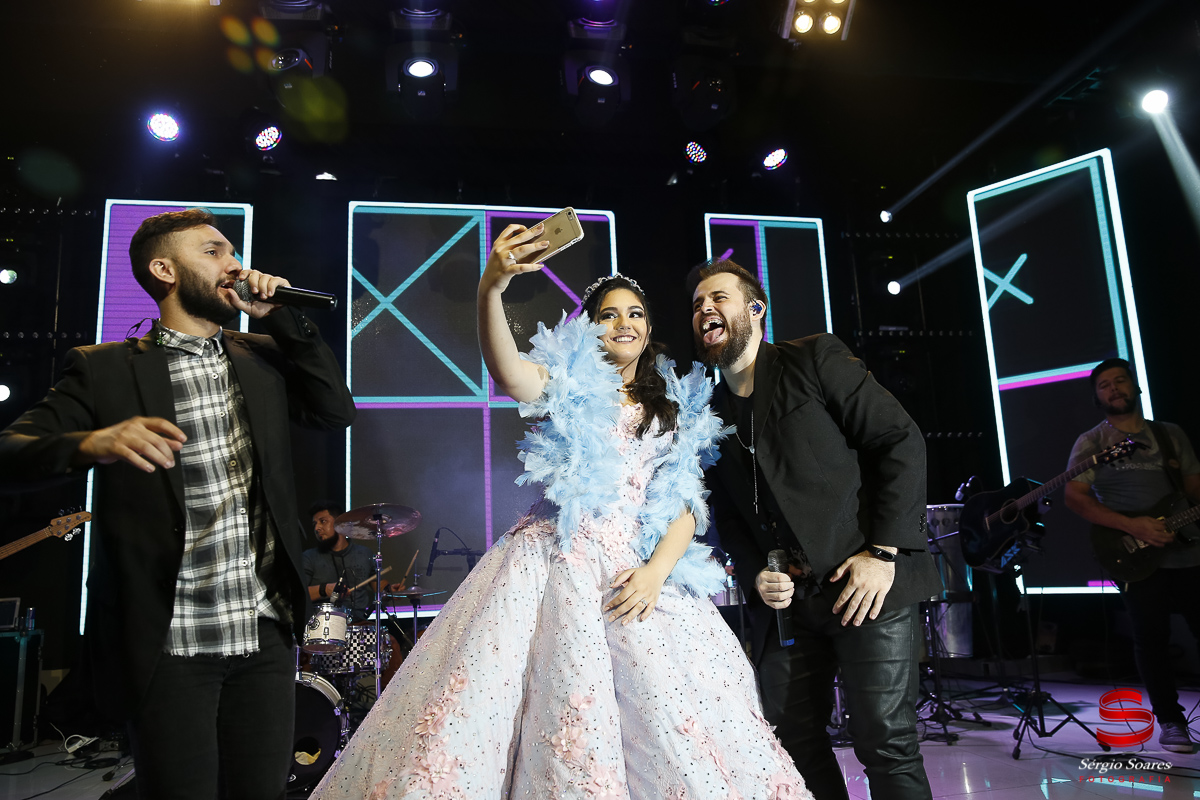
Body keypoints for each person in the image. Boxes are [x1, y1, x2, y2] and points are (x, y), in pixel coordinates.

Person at [310, 224, 809, 799]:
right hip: (557, 560)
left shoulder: (674, 406)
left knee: (675, 722)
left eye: (637, 313)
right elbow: (510, 372)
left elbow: (686, 504)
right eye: (609, 313)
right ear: (588, 328)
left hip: (641, 573)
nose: (625, 321)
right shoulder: (563, 381)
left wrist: (654, 573)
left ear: (648, 331)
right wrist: (490, 289)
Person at [0, 208, 356, 799]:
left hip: (262, 631)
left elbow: (334, 411)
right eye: (214, 251)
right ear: (164, 269)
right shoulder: (106, 369)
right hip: (172, 644)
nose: (234, 264)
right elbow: (11, 451)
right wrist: (91, 442)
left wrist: (284, 319)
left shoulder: (261, 355)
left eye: (232, 251)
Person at [690, 259, 938, 800]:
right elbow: (727, 515)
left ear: (756, 309)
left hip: (867, 582)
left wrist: (883, 552)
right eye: (697, 304)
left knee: (884, 742)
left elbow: (900, 440)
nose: (705, 308)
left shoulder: (814, 358)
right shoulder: (707, 413)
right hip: (789, 605)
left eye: (719, 298)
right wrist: (756, 573)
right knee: (792, 739)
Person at [1064, 358, 1200, 754]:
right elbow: (1075, 497)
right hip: (1133, 555)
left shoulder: (1170, 435)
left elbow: (1192, 488)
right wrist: (1133, 526)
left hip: (1188, 549)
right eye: (1104, 385)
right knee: (1151, 638)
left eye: (1120, 381)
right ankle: (1172, 722)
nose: (1114, 389)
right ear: (1097, 397)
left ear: (1135, 386)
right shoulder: (1092, 442)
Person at [303, 500, 390, 622]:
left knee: (389, 641)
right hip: (324, 628)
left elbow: (378, 585)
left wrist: (389, 591)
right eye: (314, 524)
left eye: (323, 521)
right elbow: (297, 595)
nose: (317, 528)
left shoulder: (365, 553)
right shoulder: (309, 557)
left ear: (340, 523)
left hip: (359, 625)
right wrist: (324, 589)